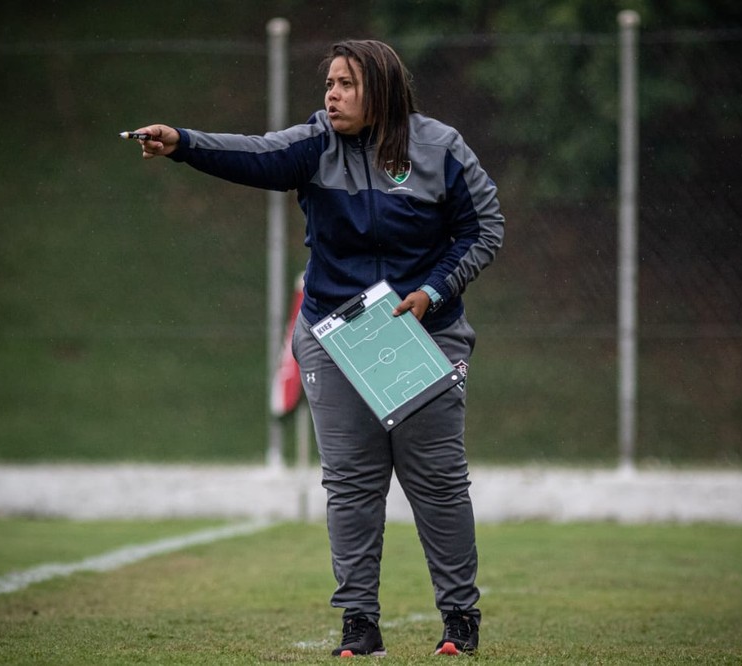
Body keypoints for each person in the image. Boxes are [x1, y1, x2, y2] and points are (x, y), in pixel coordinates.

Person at [131, 38, 504, 657]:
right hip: (335, 337)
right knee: (352, 484)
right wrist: (184, 143)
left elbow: (484, 227)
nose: (331, 95)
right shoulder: (316, 144)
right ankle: (359, 624)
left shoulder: (440, 147)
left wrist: (432, 293)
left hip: (422, 334)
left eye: (345, 85)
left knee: (436, 482)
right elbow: (256, 154)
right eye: (328, 84)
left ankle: (459, 621)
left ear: (380, 91)